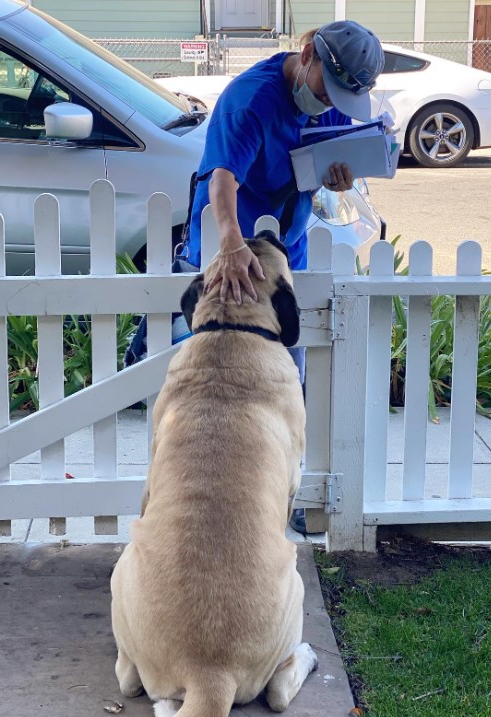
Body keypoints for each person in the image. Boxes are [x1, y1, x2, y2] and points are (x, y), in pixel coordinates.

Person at [125, 20, 385, 531]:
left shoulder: (328, 94)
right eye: (325, 89)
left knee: (288, 379)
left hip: (286, 253)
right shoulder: (250, 100)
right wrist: (230, 243)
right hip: (231, 251)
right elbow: (221, 176)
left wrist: (339, 176)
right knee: (204, 385)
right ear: (308, 53)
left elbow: (317, 160)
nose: (328, 102)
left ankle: (279, 501)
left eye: (341, 97)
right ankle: (186, 499)